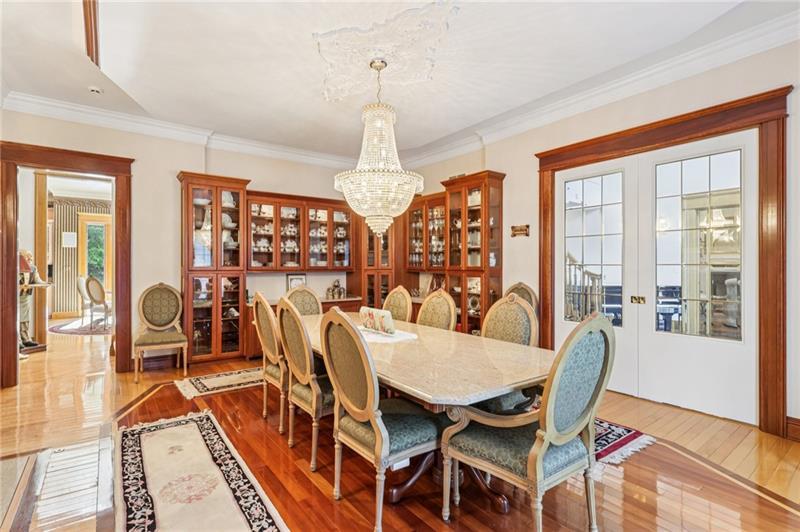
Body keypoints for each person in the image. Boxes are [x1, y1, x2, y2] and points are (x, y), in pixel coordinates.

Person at [19, 249, 45, 356]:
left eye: (31, 257)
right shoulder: (15, 268)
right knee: (16, 320)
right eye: (27, 256)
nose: (30, 259)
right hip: (15, 298)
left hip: (25, 298)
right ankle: (17, 341)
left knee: (25, 319)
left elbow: (38, 280)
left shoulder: (33, 268)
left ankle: (26, 339)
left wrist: (45, 284)